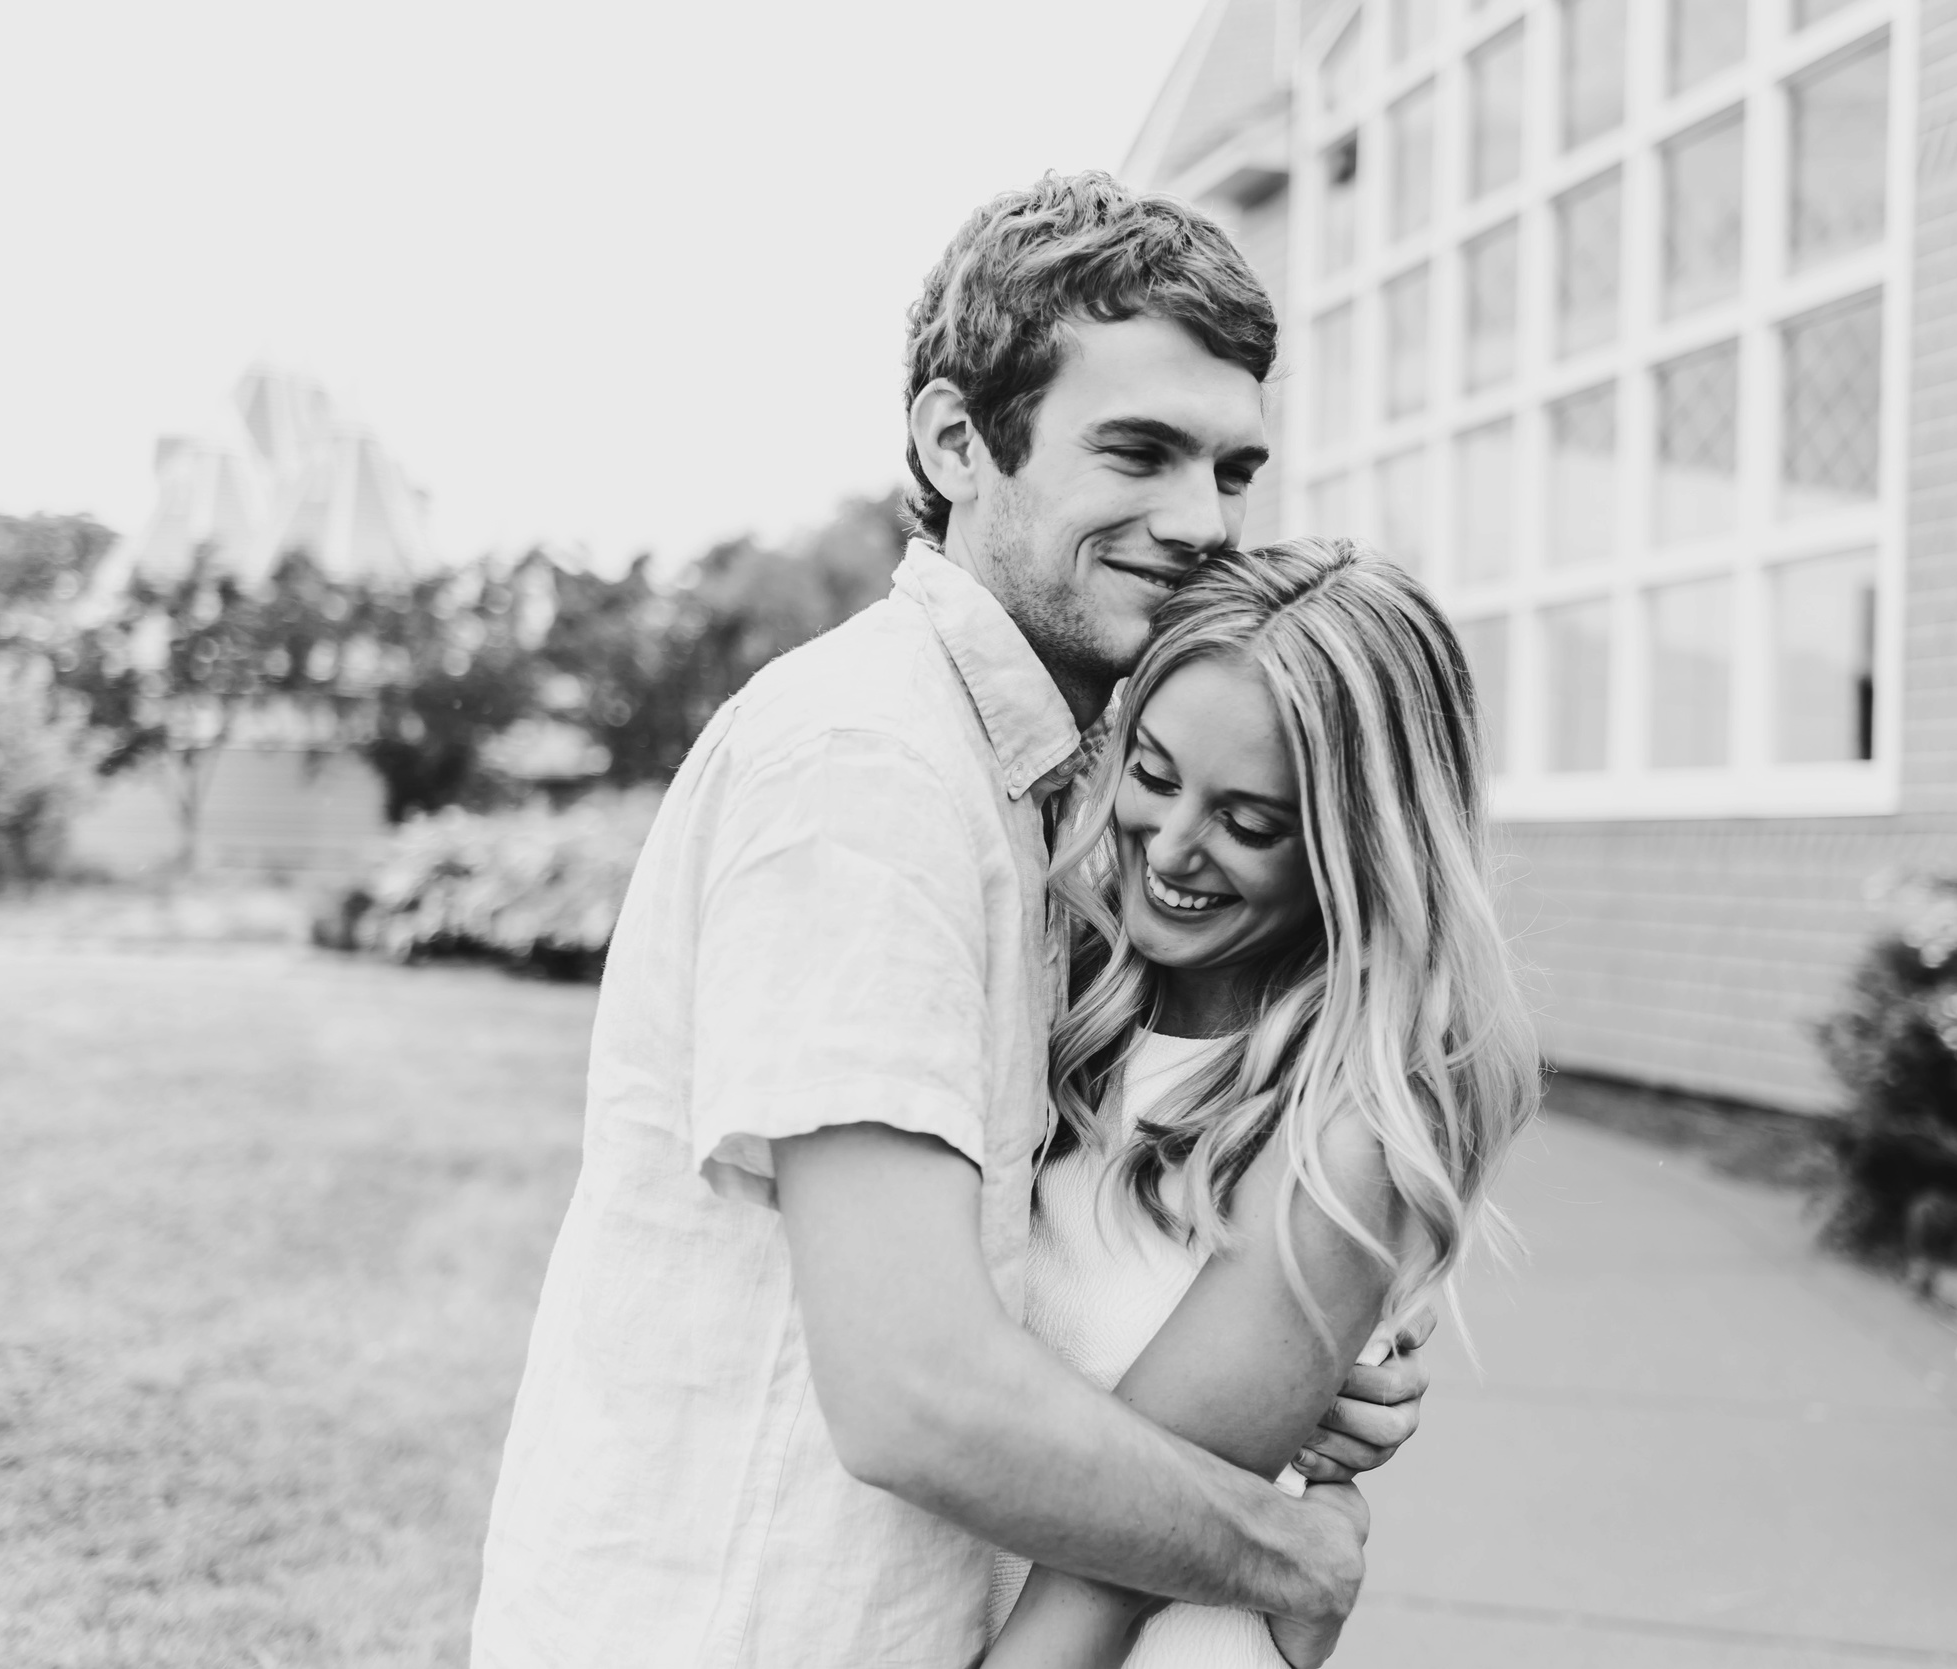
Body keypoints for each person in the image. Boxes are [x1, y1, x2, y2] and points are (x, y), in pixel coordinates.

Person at [469, 173, 1430, 1669]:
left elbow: (1016, 1272)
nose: (1199, 522)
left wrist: (1281, 1356)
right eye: (1139, 451)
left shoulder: (1021, 780)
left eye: (1233, 470)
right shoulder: (871, 766)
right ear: (952, 441)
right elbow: (916, 1383)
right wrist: (1275, 1544)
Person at [980, 539, 1540, 1668]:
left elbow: (1104, 1580)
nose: (1171, 847)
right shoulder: (1050, 993)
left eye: (1249, 821)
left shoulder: (1346, 1137)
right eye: (1152, 771)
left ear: (1359, 848)